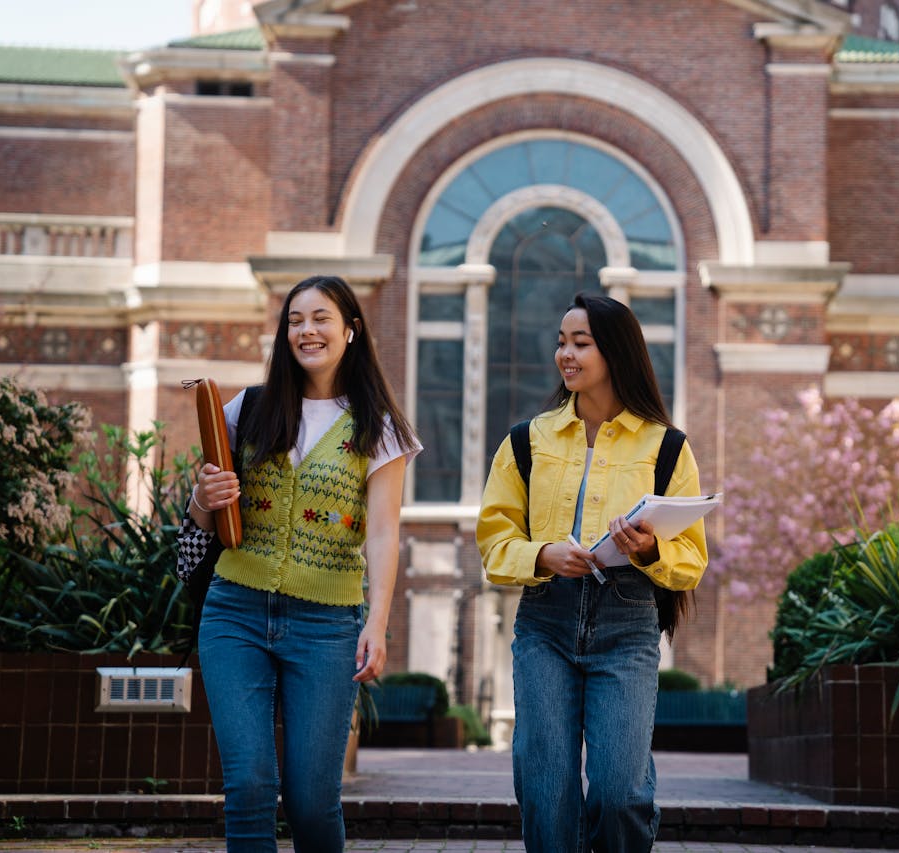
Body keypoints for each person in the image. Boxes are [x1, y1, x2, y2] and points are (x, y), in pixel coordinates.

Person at [189, 274, 420, 853]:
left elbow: (386, 532)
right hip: (234, 612)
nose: (306, 331)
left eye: (320, 318)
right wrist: (201, 498)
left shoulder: (379, 427)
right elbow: (203, 516)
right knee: (249, 787)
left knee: (312, 801)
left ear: (350, 330)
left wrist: (377, 623)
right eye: (295, 320)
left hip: (326, 626)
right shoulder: (249, 408)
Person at [476, 291, 708, 852]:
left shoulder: (667, 448)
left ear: (617, 352)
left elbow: (691, 563)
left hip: (626, 630)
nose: (566, 354)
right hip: (545, 625)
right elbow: (494, 543)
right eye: (561, 342)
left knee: (619, 793)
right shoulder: (525, 442)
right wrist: (542, 555)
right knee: (546, 791)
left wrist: (649, 551)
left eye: (581, 342)